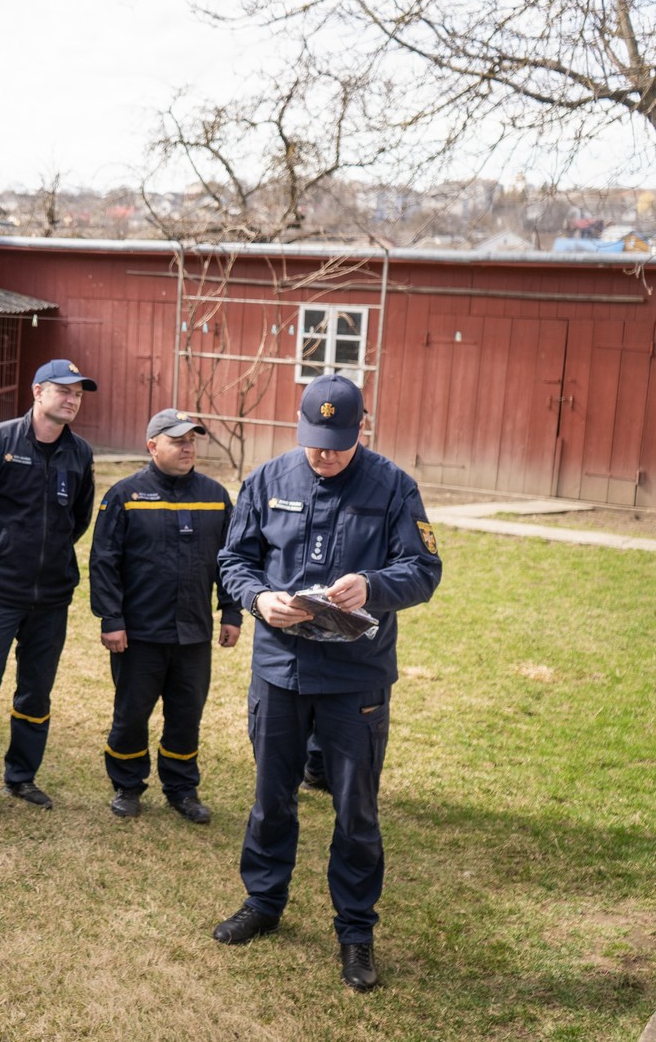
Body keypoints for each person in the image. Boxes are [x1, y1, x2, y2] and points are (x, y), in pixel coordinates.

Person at [211, 373, 442, 993]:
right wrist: (259, 600)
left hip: (354, 680)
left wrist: (374, 585)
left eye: (339, 444)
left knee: (356, 811)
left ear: (360, 430)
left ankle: (357, 933)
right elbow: (234, 559)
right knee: (270, 798)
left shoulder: (394, 487)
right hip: (280, 673)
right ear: (300, 426)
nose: (326, 455)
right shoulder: (267, 480)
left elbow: (424, 569)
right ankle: (263, 902)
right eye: (316, 443)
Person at [0, 359, 97, 810]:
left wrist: (50, 557)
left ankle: (22, 776)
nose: (72, 399)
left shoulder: (80, 453)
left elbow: (77, 520)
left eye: (78, 394)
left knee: (35, 690)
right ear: (37, 392)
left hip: (52, 596)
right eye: (64, 390)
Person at [89, 408, 241, 824]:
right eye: (177, 440)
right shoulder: (125, 496)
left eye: (192, 439)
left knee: (186, 713)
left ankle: (181, 788)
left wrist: (231, 611)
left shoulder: (215, 496)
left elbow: (230, 561)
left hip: (193, 633)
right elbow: (104, 562)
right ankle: (128, 784)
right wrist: (111, 619)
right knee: (132, 712)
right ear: (152, 445)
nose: (187, 447)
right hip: (139, 634)